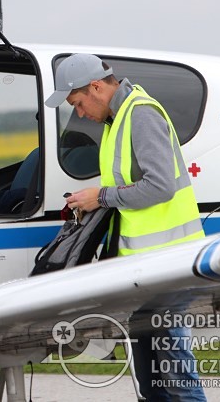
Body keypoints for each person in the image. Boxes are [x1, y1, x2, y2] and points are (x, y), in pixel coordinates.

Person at [45, 53, 207, 401]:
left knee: (176, 375)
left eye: (77, 103)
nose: (80, 114)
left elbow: (160, 186)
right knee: (151, 379)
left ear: (96, 87)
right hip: (144, 269)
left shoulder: (140, 114)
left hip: (168, 266)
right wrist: (95, 200)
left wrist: (101, 197)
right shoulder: (116, 119)